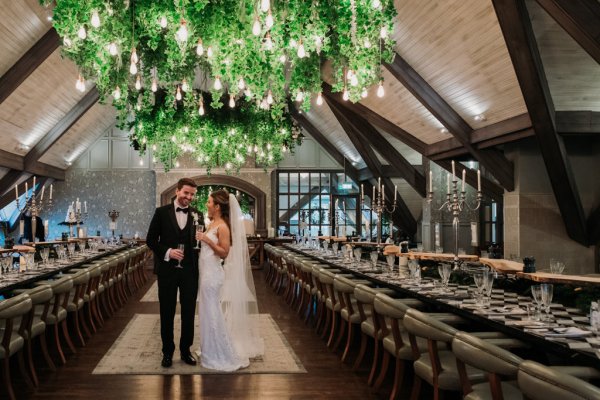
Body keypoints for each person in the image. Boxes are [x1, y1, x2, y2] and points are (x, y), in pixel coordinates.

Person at [195, 189, 264, 371]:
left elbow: (224, 252)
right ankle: (210, 348)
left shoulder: (223, 226)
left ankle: (220, 352)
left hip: (213, 275)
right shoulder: (211, 223)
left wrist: (207, 241)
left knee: (212, 312)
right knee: (207, 312)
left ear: (217, 206)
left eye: (209, 202)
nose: (207, 205)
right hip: (205, 273)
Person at [146, 178, 203, 368]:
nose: (189, 197)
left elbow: (199, 243)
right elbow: (151, 240)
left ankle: (186, 351)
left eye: (192, 194)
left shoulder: (197, 214)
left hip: (190, 271)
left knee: (188, 313)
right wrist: (168, 252)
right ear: (177, 191)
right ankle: (167, 352)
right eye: (186, 193)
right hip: (167, 271)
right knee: (167, 312)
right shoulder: (161, 213)